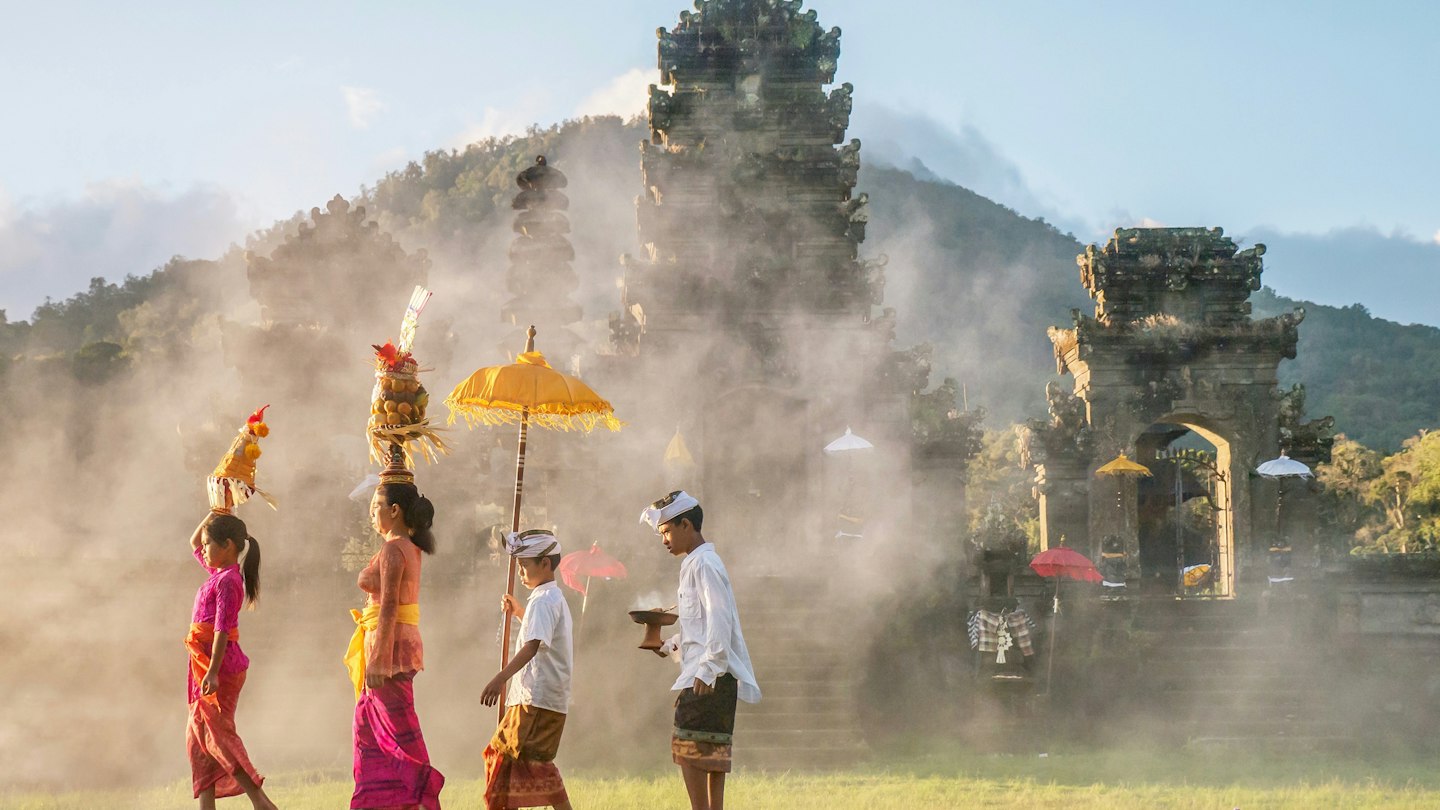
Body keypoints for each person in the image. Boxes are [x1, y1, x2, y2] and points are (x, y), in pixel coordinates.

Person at [641, 491, 761, 810]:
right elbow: (699, 627)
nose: (664, 539)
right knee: (710, 754)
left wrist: (708, 670)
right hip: (711, 673)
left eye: (666, 531)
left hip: (708, 676)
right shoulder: (695, 563)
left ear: (686, 525)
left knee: (689, 750)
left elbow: (720, 619)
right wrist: (667, 646)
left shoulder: (704, 563)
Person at [347, 481, 445, 810]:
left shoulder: (394, 548)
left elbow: (389, 605)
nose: (371, 513)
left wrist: (377, 662)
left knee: (401, 737)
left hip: (390, 655)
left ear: (394, 511)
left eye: (376, 506)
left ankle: (421, 798)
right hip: (393, 647)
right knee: (368, 731)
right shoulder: (402, 545)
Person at [186, 511, 278, 810]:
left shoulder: (228, 581)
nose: (204, 549)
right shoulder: (217, 574)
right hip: (204, 662)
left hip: (220, 666)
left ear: (227, 545)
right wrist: (215, 510)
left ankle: (261, 801)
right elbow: (193, 543)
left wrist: (212, 672)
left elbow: (221, 629)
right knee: (200, 737)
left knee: (218, 736)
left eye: (209, 543)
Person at [480, 529, 575, 810]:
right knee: (508, 763)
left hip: (535, 700)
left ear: (545, 563)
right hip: (536, 698)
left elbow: (533, 645)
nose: (521, 572)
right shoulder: (547, 598)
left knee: (525, 762)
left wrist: (500, 679)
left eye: (525, 565)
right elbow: (542, 636)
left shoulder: (544, 600)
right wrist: (520, 612)